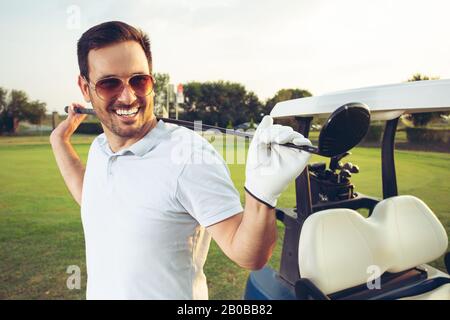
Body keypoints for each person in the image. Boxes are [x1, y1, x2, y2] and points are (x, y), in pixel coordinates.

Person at [50, 21, 312, 299]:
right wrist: (59, 140)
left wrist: (262, 193)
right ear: (85, 87)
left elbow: (248, 256)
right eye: (108, 84)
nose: (128, 97)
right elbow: (91, 196)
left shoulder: (189, 155)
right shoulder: (100, 148)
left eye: (139, 80)